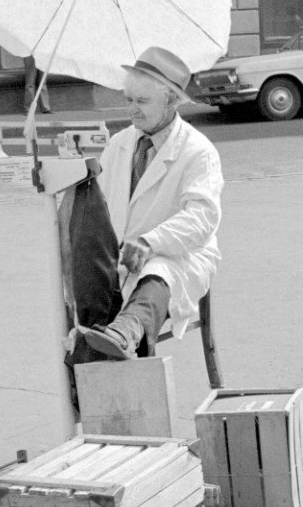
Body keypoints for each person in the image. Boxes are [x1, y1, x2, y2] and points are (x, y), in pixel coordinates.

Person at [78, 46, 223, 360]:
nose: (132, 110)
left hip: (179, 258)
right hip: (121, 260)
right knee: (85, 288)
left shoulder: (198, 150)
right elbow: (99, 209)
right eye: (128, 100)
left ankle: (126, 331)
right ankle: (91, 360)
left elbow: (203, 217)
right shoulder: (119, 144)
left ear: (171, 100)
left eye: (142, 101)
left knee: (156, 272)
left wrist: (151, 241)